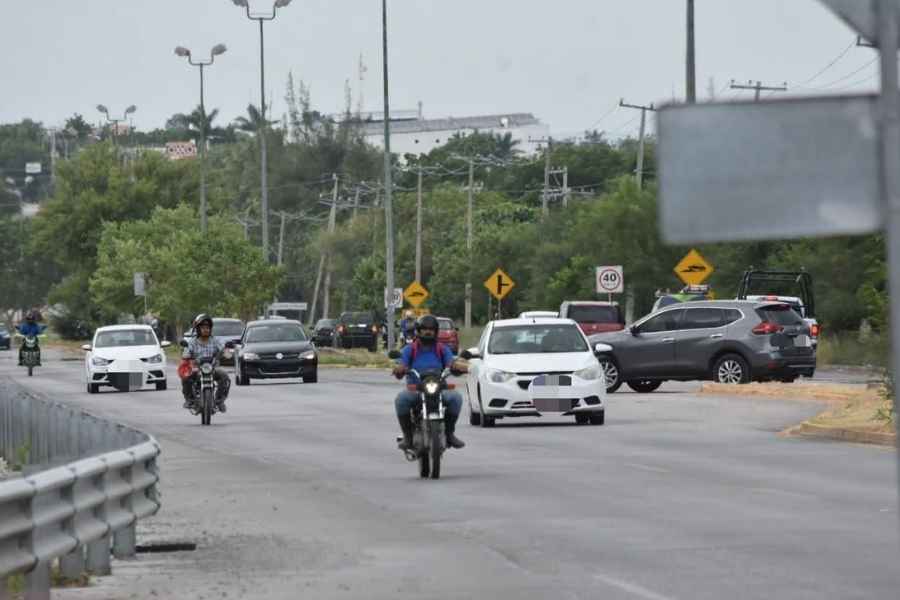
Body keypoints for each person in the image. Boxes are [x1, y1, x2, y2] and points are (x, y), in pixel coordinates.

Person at [392, 314, 467, 450]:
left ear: (436, 331)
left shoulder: (442, 349)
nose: (428, 332)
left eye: (431, 329)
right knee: (401, 400)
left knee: (456, 398)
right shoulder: (410, 349)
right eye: (424, 329)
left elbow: (451, 362)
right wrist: (399, 368)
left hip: (438, 388)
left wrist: (458, 366)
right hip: (415, 388)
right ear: (418, 331)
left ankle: (449, 434)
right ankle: (408, 437)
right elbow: (400, 363)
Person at [181, 314, 230, 412]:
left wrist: (226, 353)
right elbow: (186, 352)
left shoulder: (215, 340)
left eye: (207, 327)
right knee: (185, 376)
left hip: (213, 368)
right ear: (198, 329)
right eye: (203, 327)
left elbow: (223, 350)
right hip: (197, 369)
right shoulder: (192, 342)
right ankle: (190, 400)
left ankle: (219, 401)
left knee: (224, 376)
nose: (205, 329)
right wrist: (186, 356)